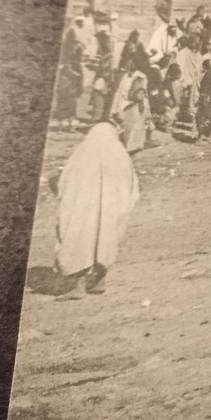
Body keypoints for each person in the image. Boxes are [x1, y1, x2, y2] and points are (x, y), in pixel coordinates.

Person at [53, 118, 140, 297]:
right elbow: (132, 186)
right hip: (112, 210)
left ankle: (79, 287)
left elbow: (66, 181)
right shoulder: (120, 153)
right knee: (105, 242)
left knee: (81, 241)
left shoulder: (84, 153)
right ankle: (99, 282)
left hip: (85, 209)